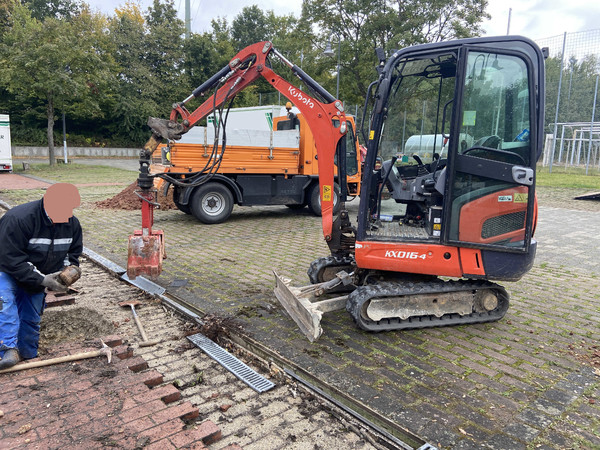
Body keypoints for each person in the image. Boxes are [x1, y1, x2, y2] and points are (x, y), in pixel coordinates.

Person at [0, 183, 82, 369]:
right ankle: (7, 349)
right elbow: (10, 258)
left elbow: (73, 254)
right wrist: (43, 279)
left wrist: (71, 270)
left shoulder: (72, 225)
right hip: (5, 270)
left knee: (31, 315)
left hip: (37, 276)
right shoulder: (19, 219)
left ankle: (28, 354)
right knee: (4, 302)